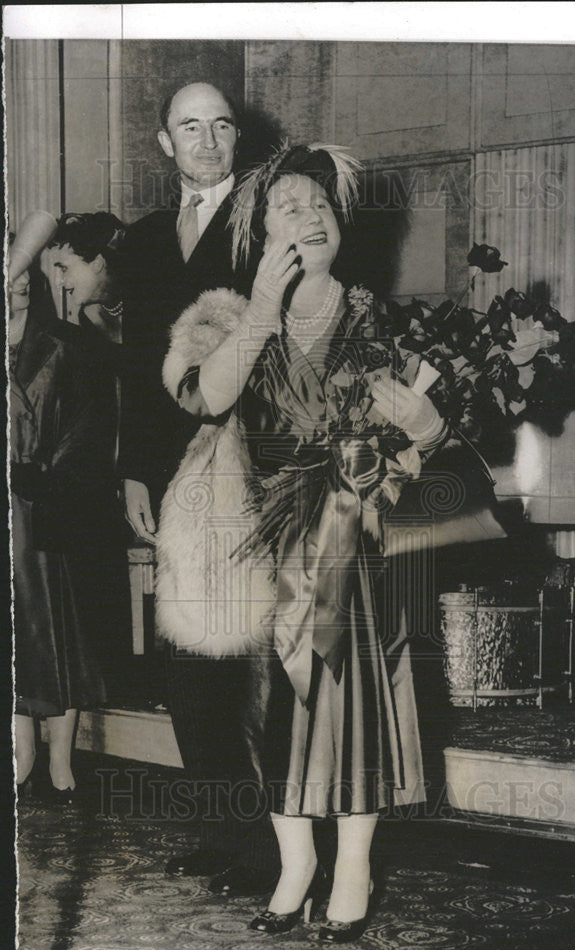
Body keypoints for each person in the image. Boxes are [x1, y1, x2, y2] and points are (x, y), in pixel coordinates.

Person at [158, 144, 459, 942]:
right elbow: (208, 398)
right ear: (259, 233)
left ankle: (353, 865)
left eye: (320, 205)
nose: (309, 216)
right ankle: (295, 865)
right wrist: (261, 304)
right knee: (272, 712)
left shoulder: (375, 317)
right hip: (262, 542)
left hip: (358, 540)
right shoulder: (234, 316)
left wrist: (427, 430)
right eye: (288, 206)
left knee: (355, 698)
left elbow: (424, 442)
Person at [118, 81, 278, 892]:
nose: (208, 138)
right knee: (186, 663)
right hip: (170, 481)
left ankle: (265, 848)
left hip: (245, 466)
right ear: (164, 142)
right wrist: (135, 472)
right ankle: (216, 828)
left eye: (221, 125)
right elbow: (132, 370)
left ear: (235, 138)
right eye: (191, 126)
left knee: (246, 662)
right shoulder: (143, 242)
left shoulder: (265, 223)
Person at [11, 212, 125, 802]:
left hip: (48, 507)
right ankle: (21, 752)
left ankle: (61, 760)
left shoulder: (69, 344)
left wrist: (46, 476)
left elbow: (90, 424)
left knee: (58, 628)